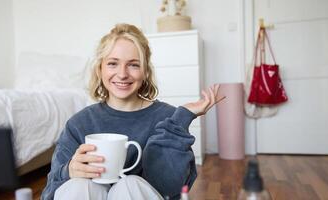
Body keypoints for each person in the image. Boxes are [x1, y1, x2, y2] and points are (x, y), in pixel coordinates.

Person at [41, 23, 224, 200]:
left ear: (145, 72)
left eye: (133, 65)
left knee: (130, 185)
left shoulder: (168, 118)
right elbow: (50, 192)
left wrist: (182, 117)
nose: (122, 74)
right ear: (100, 69)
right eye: (113, 63)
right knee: (79, 185)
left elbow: (172, 189)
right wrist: (69, 171)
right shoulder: (79, 123)